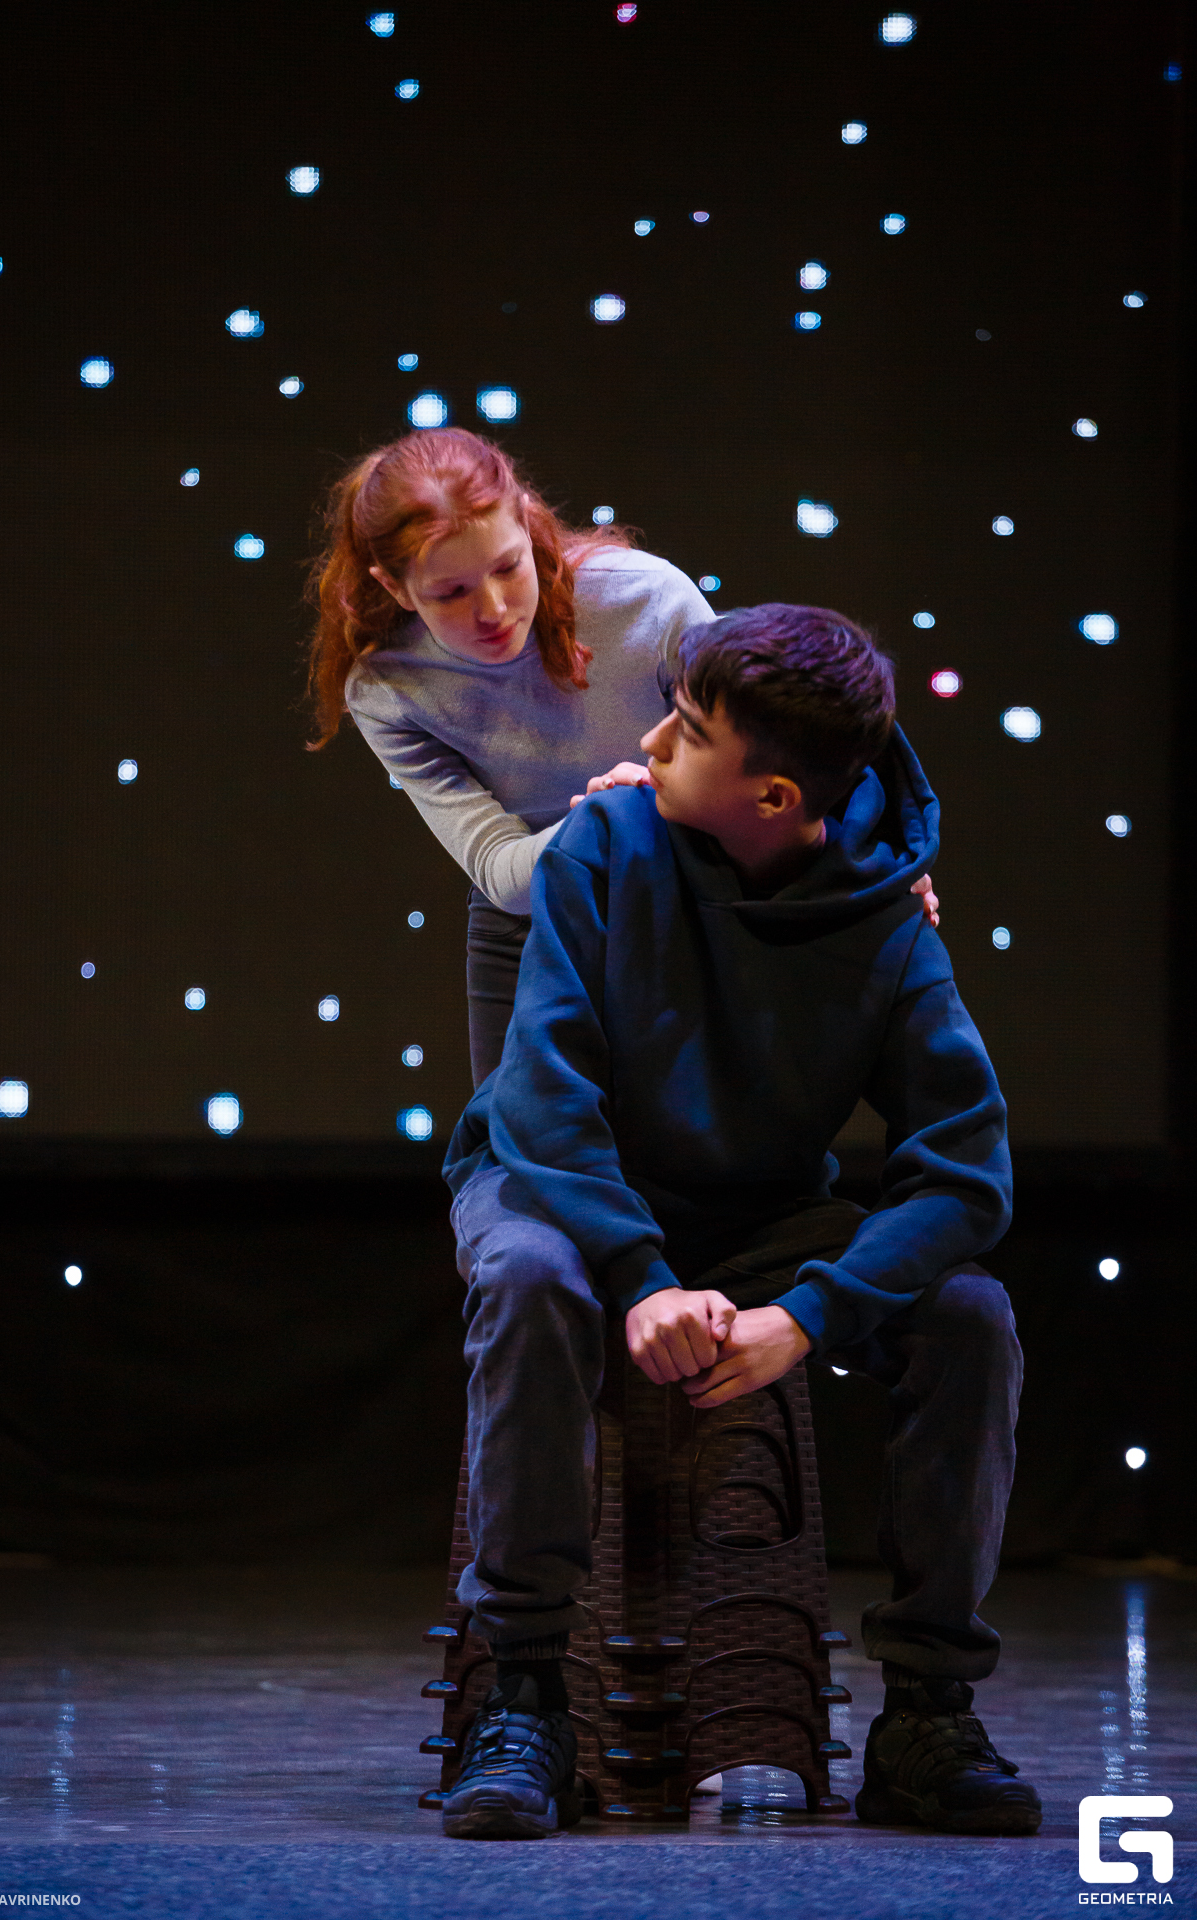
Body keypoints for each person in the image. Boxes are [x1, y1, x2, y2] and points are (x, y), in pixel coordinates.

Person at [437, 603, 1041, 1842]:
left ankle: (925, 1710)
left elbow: (963, 1173)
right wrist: (640, 1276)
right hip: (559, 1185)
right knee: (533, 1281)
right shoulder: (603, 843)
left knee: (969, 1318)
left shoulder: (884, 915)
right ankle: (526, 1695)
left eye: (686, 730)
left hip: (760, 1213)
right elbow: (543, 1097)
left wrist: (808, 1316)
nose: (648, 743)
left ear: (771, 796)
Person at [305, 428, 937, 1085]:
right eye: (451, 593)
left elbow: (778, 750)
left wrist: (872, 863)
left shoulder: (645, 598)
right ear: (396, 587)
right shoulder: (388, 689)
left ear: (526, 522)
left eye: (507, 568)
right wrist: (610, 818)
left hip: (691, 892)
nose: (492, 609)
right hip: (535, 924)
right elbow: (501, 872)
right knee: (512, 1146)